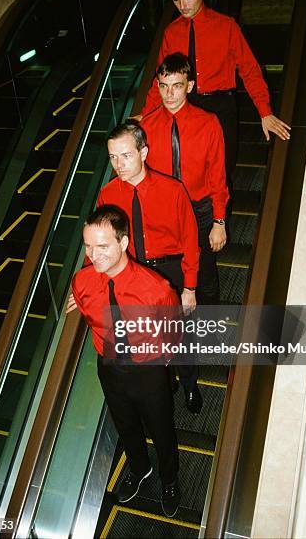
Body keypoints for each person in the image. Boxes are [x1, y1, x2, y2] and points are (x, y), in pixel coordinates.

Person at [138, 0, 291, 196]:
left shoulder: (226, 26)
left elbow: (249, 70)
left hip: (220, 107)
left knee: (220, 174)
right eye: (176, 0)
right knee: (184, 174)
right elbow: (160, 79)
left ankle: (218, 225)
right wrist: (146, 113)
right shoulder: (171, 32)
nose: (183, 6)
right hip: (184, 106)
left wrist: (264, 111)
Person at [69, 205, 181, 517]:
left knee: (161, 428)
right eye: (88, 246)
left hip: (148, 370)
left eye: (102, 246)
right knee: (125, 423)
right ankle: (139, 465)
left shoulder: (155, 289)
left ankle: (169, 478)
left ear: (123, 243)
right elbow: (85, 303)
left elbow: (173, 328)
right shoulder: (82, 281)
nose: (94, 255)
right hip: (109, 367)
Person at [98, 121, 203, 413]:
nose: (118, 164)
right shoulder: (108, 194)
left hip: (169, 271)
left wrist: (190, 286)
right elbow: (101, 243)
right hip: (133, 275)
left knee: (181, 334)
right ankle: (164, 378)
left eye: (126, 155)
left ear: (144, 152)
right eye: (113, 157)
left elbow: (190, 241)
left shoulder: (172, 189)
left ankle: (190, 383)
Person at [140, 52, 229, 306]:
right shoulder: (146, 126)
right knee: (172, 274)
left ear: (189, 86)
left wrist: (219, 221)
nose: (169, 95)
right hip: (163, 213)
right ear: (157, 86)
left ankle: (209, 327)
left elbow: (217, 176)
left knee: (206, 273)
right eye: (164, 87)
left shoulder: (209, 123)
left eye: (177, 87)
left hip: (200, 209)